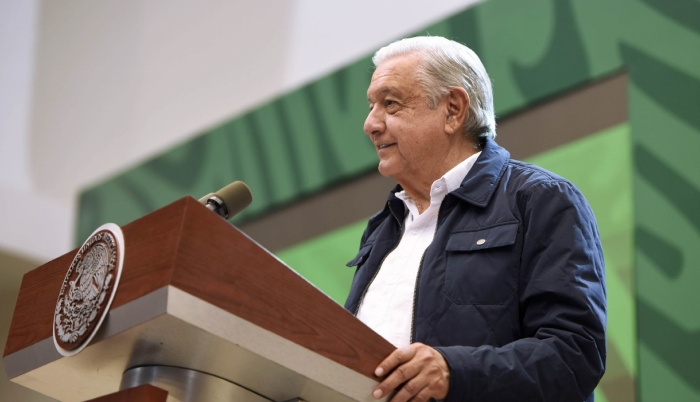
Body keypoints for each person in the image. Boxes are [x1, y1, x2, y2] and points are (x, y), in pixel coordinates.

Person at [344, 36, 606, 402]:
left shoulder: (541, 199)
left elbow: (574, 354)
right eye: (372, 107)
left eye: (390, 103)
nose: (370, 124)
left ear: (453, 109)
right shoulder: (383, 228)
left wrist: (455, 373)